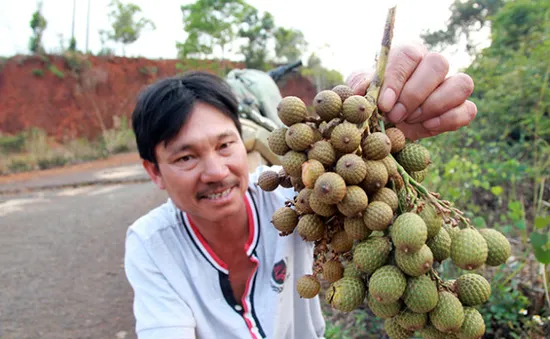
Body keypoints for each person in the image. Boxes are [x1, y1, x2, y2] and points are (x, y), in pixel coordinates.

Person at [124, 43, 477, 339]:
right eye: (186, 157)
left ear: (242, 141)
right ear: (154, 171)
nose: (216, 172)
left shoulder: (303, 197)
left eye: (225, 145)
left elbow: (356, 198)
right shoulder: (151, 244)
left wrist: (388, 133)